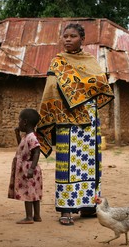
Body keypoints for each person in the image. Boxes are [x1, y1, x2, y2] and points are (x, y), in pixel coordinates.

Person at [36, 23, 114, 226]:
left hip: (88, 120)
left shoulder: (90, 61)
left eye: (72, 36)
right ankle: (66, 209)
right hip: (66, 121)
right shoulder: (58, 62)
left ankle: (88, 206)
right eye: (65, 36)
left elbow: (101, 85)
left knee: (90, 164)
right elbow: (51, 90)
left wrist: (80, 92)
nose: (68, 39)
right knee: (67, 164)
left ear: (82, 39)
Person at [8, 108, 43, 224]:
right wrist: (17, 135)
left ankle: (29, 217)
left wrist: (32, 168)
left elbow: (37, 151)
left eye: (19, 120)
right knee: (33, 193)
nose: (18, 123)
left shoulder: (31, 137)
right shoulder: (27, 137)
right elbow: (22, 147)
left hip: (28, 168)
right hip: (28, 168)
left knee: (27, 193)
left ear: (25, 122)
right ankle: (37, 216)